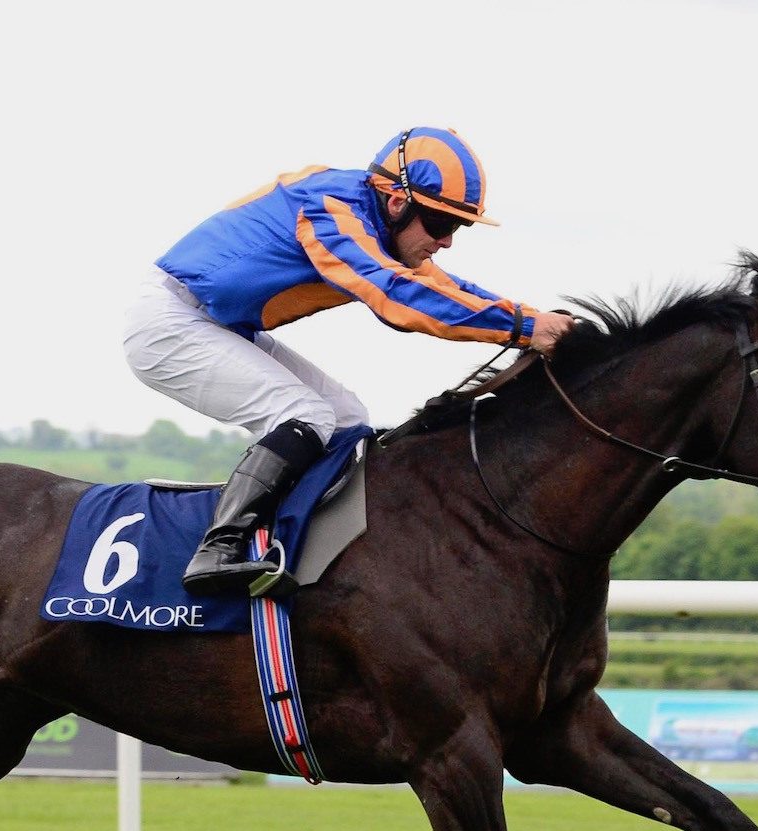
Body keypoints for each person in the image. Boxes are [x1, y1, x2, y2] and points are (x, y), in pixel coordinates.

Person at [125, 127, 575, 597]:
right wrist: (525, 328)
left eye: (456, 228)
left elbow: (443, 286)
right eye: (442, 225)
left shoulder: (373, 219)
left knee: (346, 419)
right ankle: (217, 551)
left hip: (218, 323)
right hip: (169, 322)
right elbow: (396, 297)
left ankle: (296, 547)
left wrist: (531, 317)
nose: (446, 242)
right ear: (398, 202)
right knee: (305, 414)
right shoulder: (332, 211)